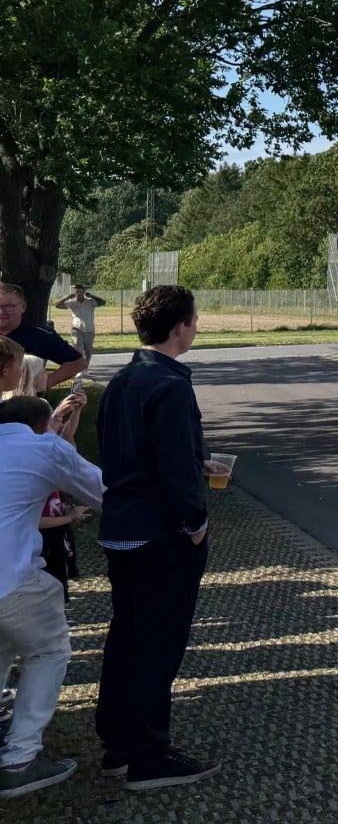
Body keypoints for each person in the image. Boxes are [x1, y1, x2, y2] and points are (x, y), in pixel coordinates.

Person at [94, 285, 222, 789]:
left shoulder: (124, 380)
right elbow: (171, 470)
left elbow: (128, 450)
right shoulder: (170, 386)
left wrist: (195, 460)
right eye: (193, 321)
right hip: (161, 533)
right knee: (158, 644)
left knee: (125, 636)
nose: (195, 328)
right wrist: (195, 524)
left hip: (122, 527)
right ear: (179, 328)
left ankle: (118, 743)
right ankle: (149, 752)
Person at [0, 395, 106, 798]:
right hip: (10, 576)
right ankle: (20, 758)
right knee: (49, 649)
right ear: (43, 424)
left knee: (3, 644)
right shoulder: (43, 445)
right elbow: (101, 491)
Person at [0, 282, 83, 392]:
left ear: (23, 307)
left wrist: (45, 383)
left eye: (8, 306)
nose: (1, 311)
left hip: (23, 403)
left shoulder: (39, 335)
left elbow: (77, 362)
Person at [54, 284, 105, 365]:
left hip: (89, 329)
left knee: (88, 350)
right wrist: (67, 297)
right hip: (77, 328)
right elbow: (57, 305)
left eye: (80, 292)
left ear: (84, 292)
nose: (79, 294)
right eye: (77, 292)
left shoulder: (90, 302)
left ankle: (86, 365)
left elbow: (103, 302)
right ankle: (79, 367)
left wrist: (92, 296)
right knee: (77, 350)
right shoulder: (72, 302)